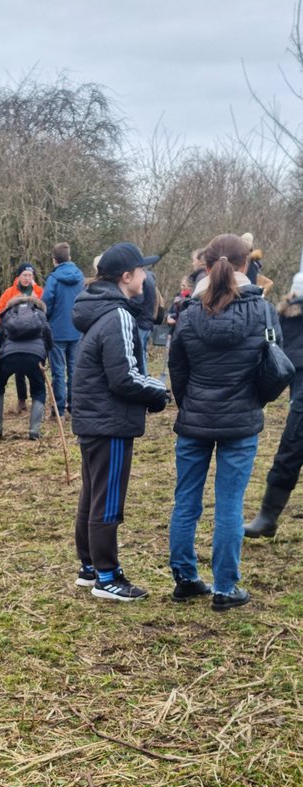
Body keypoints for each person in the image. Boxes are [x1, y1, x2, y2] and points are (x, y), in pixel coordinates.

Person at [167, 233, 283, 610]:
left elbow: (177, 368)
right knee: (229, 505)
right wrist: (256, 402)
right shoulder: (262, 311)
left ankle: (185, 579)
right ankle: (225, 587)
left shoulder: (188, 312)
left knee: (186, 501)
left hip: (195, 418)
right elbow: (275, 367)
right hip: (240, 421)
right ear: (246, 264)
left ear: (205, 264)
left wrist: (190, 405)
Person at [70, 242, 168, 600]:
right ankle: (108, 577)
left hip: (93, 419)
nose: (145, 276)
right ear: (127, 277)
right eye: (142, 270)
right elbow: (125, 376)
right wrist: (158, 390)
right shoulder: (120, 315)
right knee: (107, 500)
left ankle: (89, 566)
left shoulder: (98, 310)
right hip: (108, 421)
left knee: (92, 495)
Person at [244, 252, 303, 537]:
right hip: (300, 396)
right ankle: (268, 515)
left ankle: (268, 516)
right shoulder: (289, 315)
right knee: (292, 445)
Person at [0, 295, 52, 440]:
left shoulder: (9, 313)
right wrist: (45, 354)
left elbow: (0, 336)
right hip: (34, 356)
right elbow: (48, 336)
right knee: (38, 390)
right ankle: (34, 430)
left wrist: (1, 351)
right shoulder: (40, 313)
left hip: (9, 355)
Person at [41, 242, 85, 417]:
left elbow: (46, 305)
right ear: (70, 257)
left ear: (54, 260)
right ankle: (74, 406)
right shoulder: (80, 277)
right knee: (74, 369)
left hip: (57, 332)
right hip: (77, 329)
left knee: (58, 371)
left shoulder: (53, 279)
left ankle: (58, 408)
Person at [0, 264, 43, 412]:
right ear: (19, 277)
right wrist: (6, 326)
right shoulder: (10, 292)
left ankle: (36, 399)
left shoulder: (39, 292)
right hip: (14, 336)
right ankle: (21, 399)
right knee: (18, 370)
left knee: (34, 370)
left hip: (34, 337)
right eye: (24, 275)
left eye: (30, 276)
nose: (27, 278)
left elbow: (45, 311)